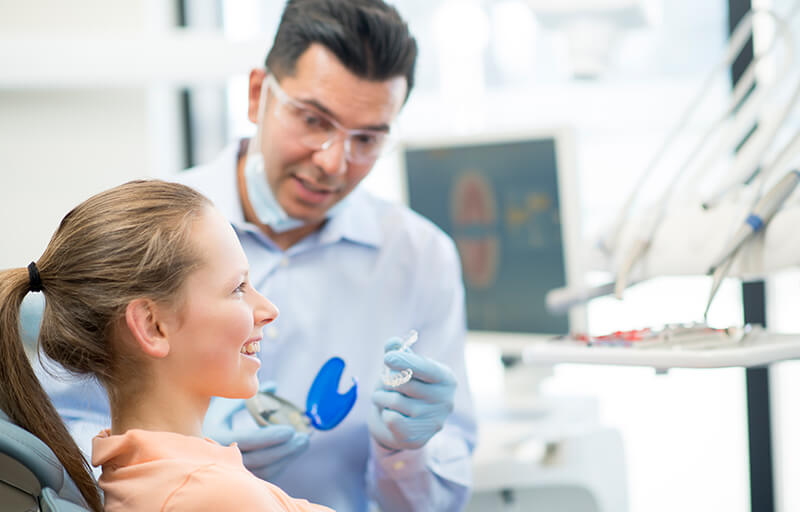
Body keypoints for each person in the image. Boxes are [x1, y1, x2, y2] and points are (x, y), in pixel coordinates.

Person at [38, 0, 477, 510]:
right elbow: (55, 433)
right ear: (256, 95)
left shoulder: (420, 258)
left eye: (367, 138)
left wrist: (405, 453)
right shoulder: (155, 231)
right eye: (314, 120)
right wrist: (187, 456)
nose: (334, 162)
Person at [1, 180, 332, 511]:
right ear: (152, 326)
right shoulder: (211, 495)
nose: (269, 311)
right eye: (237, 288)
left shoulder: (144, 473)